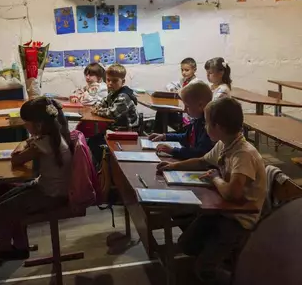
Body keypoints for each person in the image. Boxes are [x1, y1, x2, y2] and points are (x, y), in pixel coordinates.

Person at [157, 98, 266, 284]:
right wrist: (173, 166)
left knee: (204, 269)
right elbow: (203, 161)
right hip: (223, 211)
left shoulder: (243, 154)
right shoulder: (225, 144)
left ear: (218, 126)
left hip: (239, 219)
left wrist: (215, 178)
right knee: (187, 245)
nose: (205, 127)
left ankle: (234, 276)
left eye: (207, 122)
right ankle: (216, 255)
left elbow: (233, 194)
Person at [0, 97, 73, 260]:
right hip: (48, 188)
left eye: (26, 122)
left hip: (52, 195)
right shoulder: (54, 135)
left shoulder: (44, 143)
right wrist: (26, 144)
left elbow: (16, 158)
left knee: (3, 208)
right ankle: (19, 246)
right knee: (3, 200)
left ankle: (6, 250)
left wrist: (23, 145)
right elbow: (26, 145)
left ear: (38, 125)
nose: (25, 125)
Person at [148, 81, 214, 160]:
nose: (185, 110)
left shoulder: (209, 126)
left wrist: (173, 150)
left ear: (200, 105)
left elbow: (199, 153)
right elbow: (186, 137)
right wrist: (164, 136)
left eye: (187, 106)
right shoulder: (198, 120)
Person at [88, 64, 139, 166]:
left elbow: (111, 113)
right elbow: (103, 102)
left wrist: (96, 111)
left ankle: (106, 168)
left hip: (126, 133)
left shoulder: (124, 96)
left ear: (123, 82)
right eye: (108, 80)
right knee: (92, 140)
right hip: (115, 129)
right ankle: (101, 168)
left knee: (95, 144)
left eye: (115, 81)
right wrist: (98, 107)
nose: (110, 83)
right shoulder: (113, 93)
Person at [74, 63, 109, 139]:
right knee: (79, 128)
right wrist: (78, 96)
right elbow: (79, 95)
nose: (87, 77)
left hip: (99, 119)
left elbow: (87, 101)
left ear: (99, 77)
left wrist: (82, 95)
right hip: (91, 115)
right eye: (86, 75)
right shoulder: (91, 85)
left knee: (81, 129)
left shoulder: (100, 87)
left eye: (90, 75)